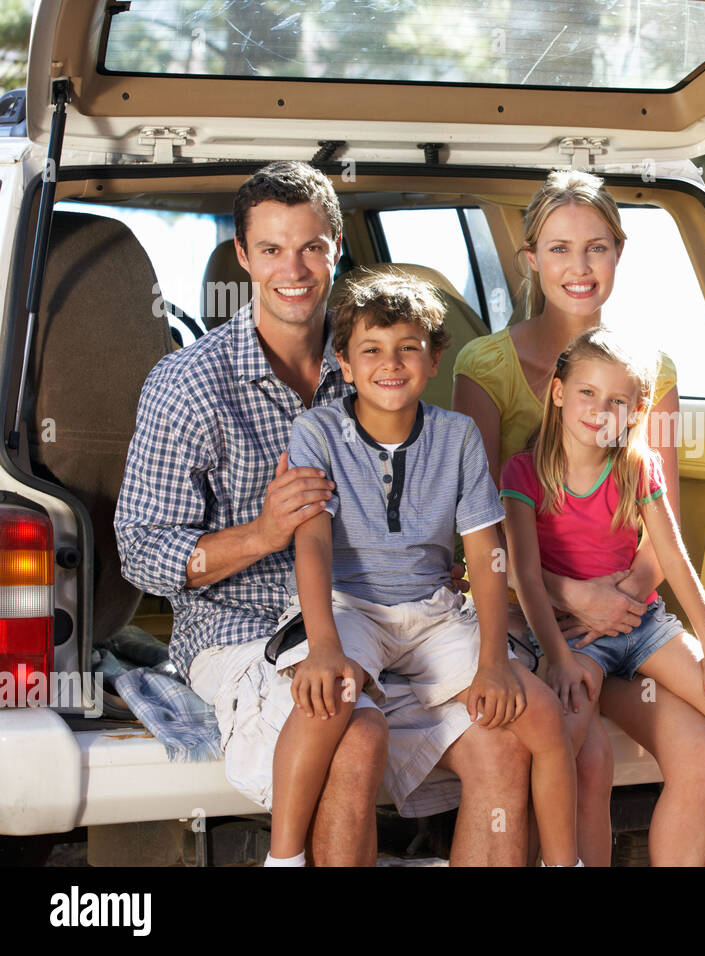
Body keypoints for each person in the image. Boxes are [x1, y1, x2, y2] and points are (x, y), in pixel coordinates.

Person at [115, 161, 531, 866]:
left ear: (337, 247)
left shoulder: (375, 362)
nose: (294, 269)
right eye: (272, 249)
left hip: (389, 618)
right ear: (243, 257)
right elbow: (141, 549)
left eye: (311, 246)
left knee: (505, 742)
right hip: (243, 629)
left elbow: (446, 500)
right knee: (352, 733)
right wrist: (261, 534)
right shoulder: (188, 385)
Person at [453, 169, 705, 866]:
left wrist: (624, 604)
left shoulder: (652, 368)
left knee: (703, 751)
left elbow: (655, 517)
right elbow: (479, 527)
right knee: (589, 759)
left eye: (596, 248)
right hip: (527, 616)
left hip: (626, 621)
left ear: (619, 252)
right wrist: (573, 598)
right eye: (559, 249)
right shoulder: (484, 364)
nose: (579, 268)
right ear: (530, 260)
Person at [267, 271, 580, 867]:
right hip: (348, 605)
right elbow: (312, 544)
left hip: (433, 610)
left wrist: (493, 659)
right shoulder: (318, 431)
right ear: (345, 364)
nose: (392, 363)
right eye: (372, 350)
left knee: (538, 712)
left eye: (409, 347)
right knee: (328, 697)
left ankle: (566, 863)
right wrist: (325, 647)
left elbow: (487, 554)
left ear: (435, 359)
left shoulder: (456, 436)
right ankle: (282, 858)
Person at [502, 327, 705, 867]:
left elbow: (673, 560)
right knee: (565, 745)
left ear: (637, 409)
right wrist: (556, 657)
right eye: (586, 394)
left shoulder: (637, 468)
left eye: (616, 401)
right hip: (576, 639)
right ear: (557, 392)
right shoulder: (524, 474)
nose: (599, 411)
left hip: (643, 627)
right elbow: (525, 576)